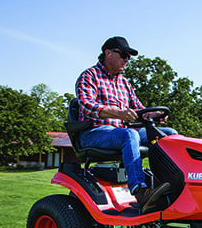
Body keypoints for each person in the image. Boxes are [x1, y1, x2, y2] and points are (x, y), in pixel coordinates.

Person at [75, 36, 176, 213]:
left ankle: (169, 184)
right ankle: (140, 190)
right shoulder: (89, 76)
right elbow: (86, 105)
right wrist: (118, 112)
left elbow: (139, 109)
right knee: (131, 134)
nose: (126, 60)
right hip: (94, 132)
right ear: (108, 53)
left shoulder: (123, 82)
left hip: (120, 132)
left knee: (168, 134)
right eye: (123, 55)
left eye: (128, 56)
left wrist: (155, 115)